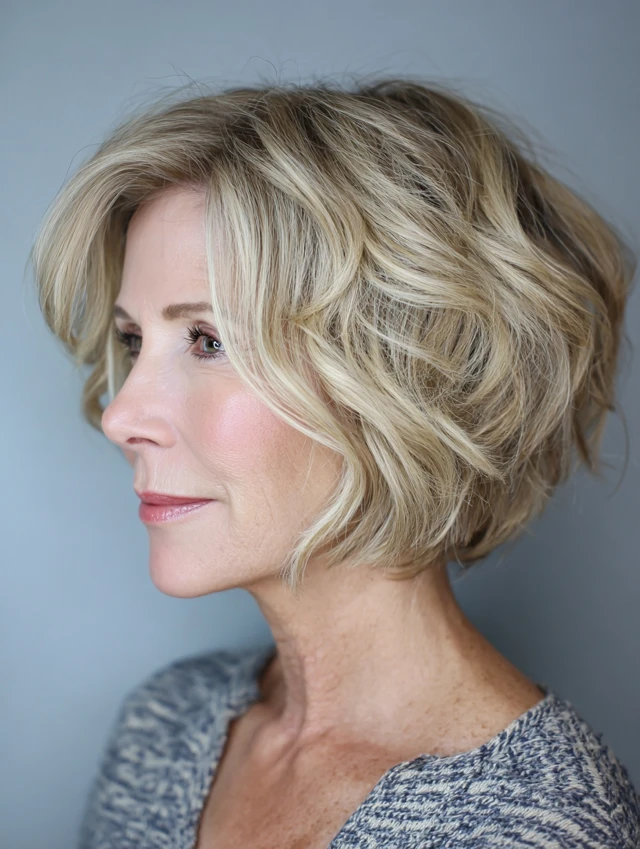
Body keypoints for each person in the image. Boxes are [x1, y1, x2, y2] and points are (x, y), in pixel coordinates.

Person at [30, 76, 639, 848]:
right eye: (132, 341)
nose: (120, 416)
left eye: (209, 340)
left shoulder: (534, 825)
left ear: (399, 377)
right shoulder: (166, 727)